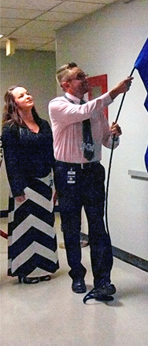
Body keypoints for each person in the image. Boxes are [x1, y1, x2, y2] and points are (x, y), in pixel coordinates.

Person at [48, 62, 132, 301]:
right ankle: (77, 275)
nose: (85, 79)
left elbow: (105, 142)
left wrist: (114, 136)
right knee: (72, 227)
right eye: (78, 77)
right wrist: (115, 92)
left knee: (97, 227)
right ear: (66, 84)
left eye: (85, 76)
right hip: (69, 172)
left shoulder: (95, 109)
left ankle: (103, 280)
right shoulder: (58, 105)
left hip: (93, 171)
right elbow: (81, 114)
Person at [2, 86, 59, 284]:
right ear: (13, 102)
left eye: (27, 93)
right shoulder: (10, 128)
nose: (27, 96)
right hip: (24, 186)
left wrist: (57, 184)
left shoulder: (43, 125)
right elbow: (11, 160)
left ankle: (45, 266)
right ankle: (26, 270)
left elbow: (51, 155)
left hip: (44, 183)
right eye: (21, 95)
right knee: (26, 228)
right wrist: (17, 189)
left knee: (44, 226)